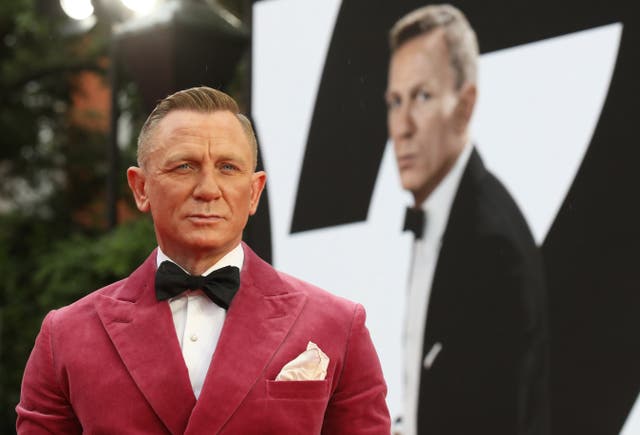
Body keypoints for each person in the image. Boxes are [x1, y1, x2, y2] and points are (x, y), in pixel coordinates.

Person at [16, 86, 390, 434]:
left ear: (254, 191)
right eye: (185, 166)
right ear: (141, 188)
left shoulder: (338, 327)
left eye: (228, 168)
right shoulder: (66, 336)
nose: (208, 189)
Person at [385, 4, 549, 435]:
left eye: (421, 96)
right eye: (395, 101)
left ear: (466, 103)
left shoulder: (491, 247)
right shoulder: (445, 216)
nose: (401, 126)